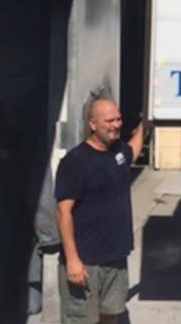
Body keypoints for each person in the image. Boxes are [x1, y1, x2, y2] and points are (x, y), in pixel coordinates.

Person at [55, 98, 146, 324]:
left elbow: (132, 151)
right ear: (93, 124)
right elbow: (62, 212)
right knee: (81, 320)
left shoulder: (118, 152)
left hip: (115, 257)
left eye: (118, 119)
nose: (116, 125)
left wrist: (147, 122)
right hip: (86, 263)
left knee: (110, 317)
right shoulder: (75, 161)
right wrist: (73, 260)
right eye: (109, 121)